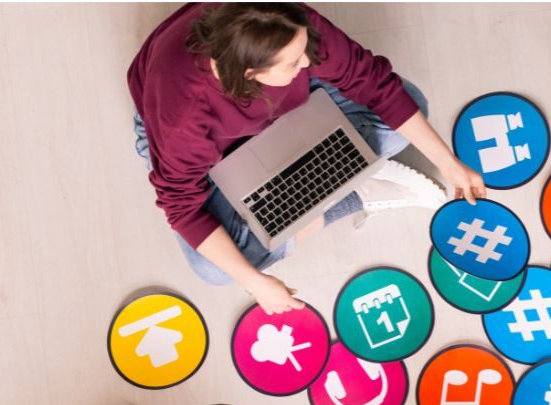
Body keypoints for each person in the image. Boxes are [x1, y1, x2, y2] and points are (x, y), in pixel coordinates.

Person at [128, 3, 485, 313]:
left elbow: (374, 84)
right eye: (295, 61)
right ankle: (356, 193)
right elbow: (182, 207)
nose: (311, 59)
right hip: (200, 144)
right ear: (252, 74)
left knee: (411, 104)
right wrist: (257, 283)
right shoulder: (183, 115)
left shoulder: (283, 22)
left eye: (304, 49)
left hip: (274, 105)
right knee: (216, 270)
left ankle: (327, 184)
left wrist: (449, 164)